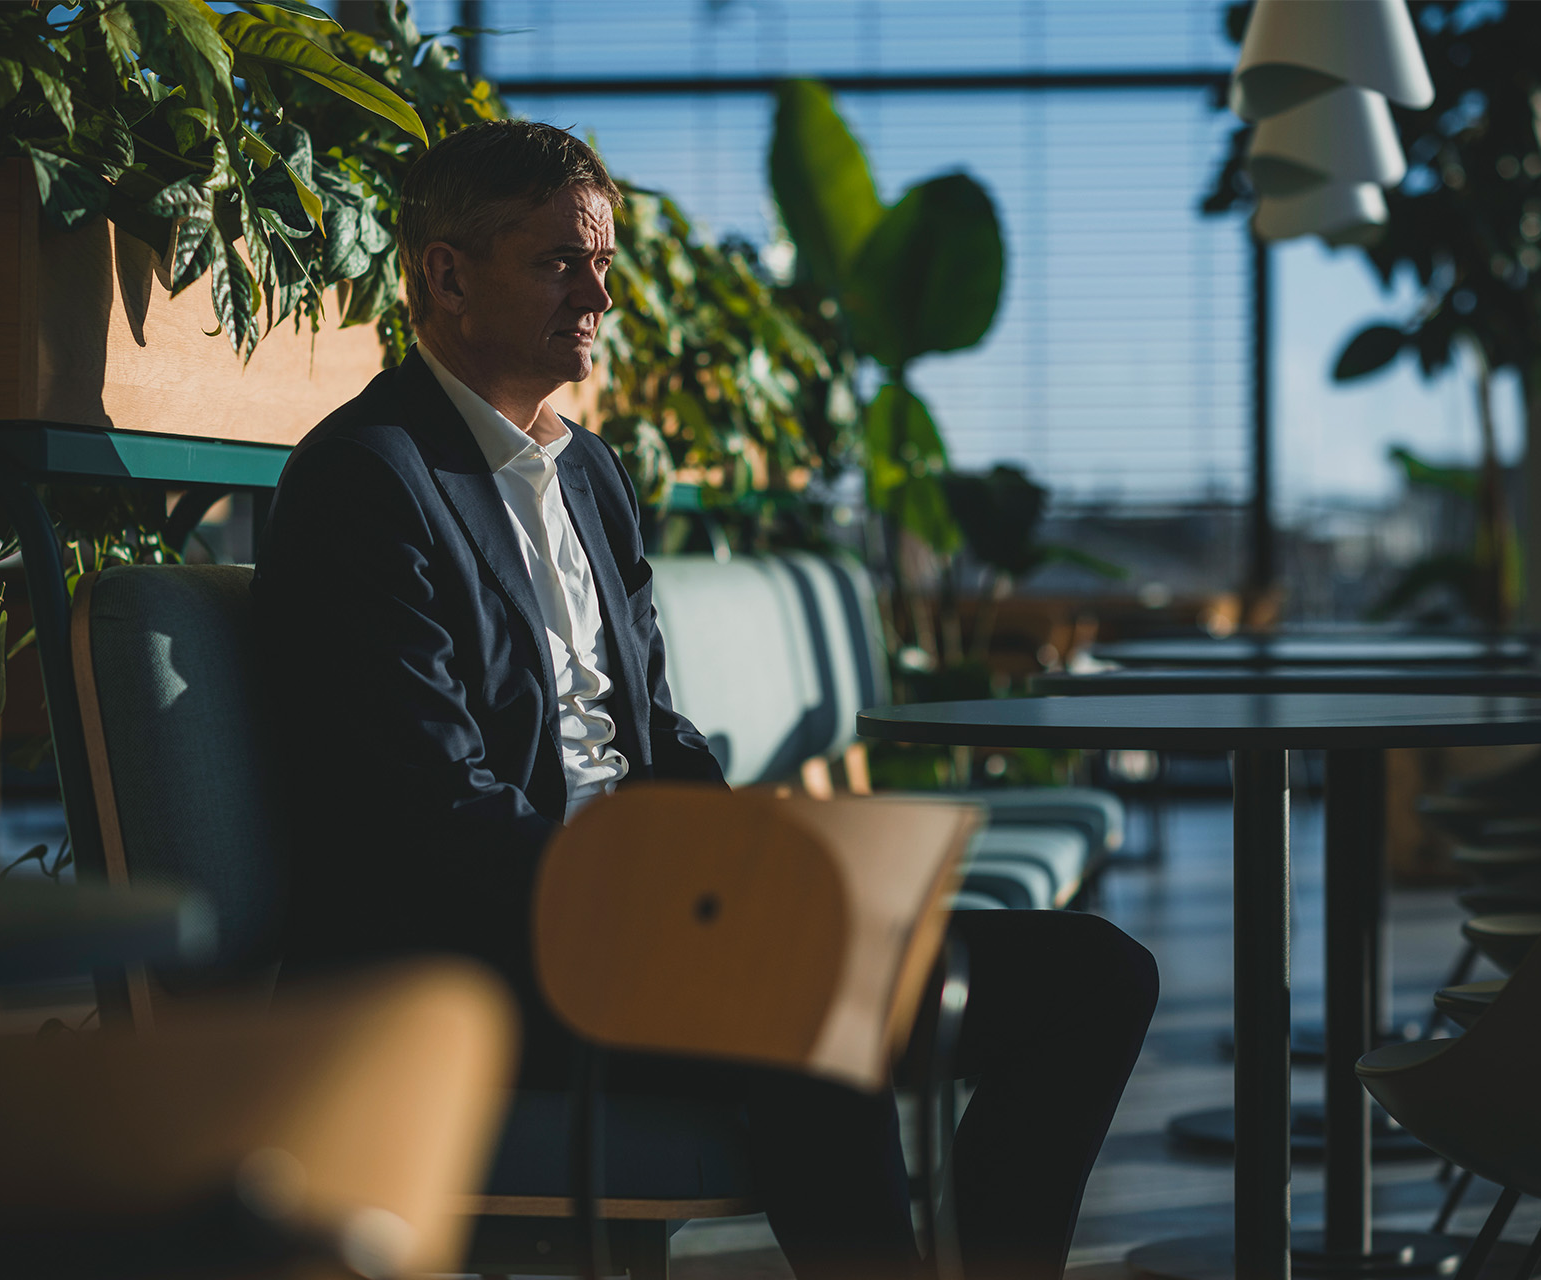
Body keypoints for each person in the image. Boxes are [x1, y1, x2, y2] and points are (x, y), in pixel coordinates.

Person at [253, 120, 1157, 1280]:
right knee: (805, 1012)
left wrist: (751, 864)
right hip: (475, 951)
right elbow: (429, 812)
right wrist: (671, 903)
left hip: (659, 916)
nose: (598, 294)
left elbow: (655, 732)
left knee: (1094, 976)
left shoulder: (589, 473)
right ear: (444, 275)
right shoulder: (367, 481)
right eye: (558, 262)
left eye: (604, 262)